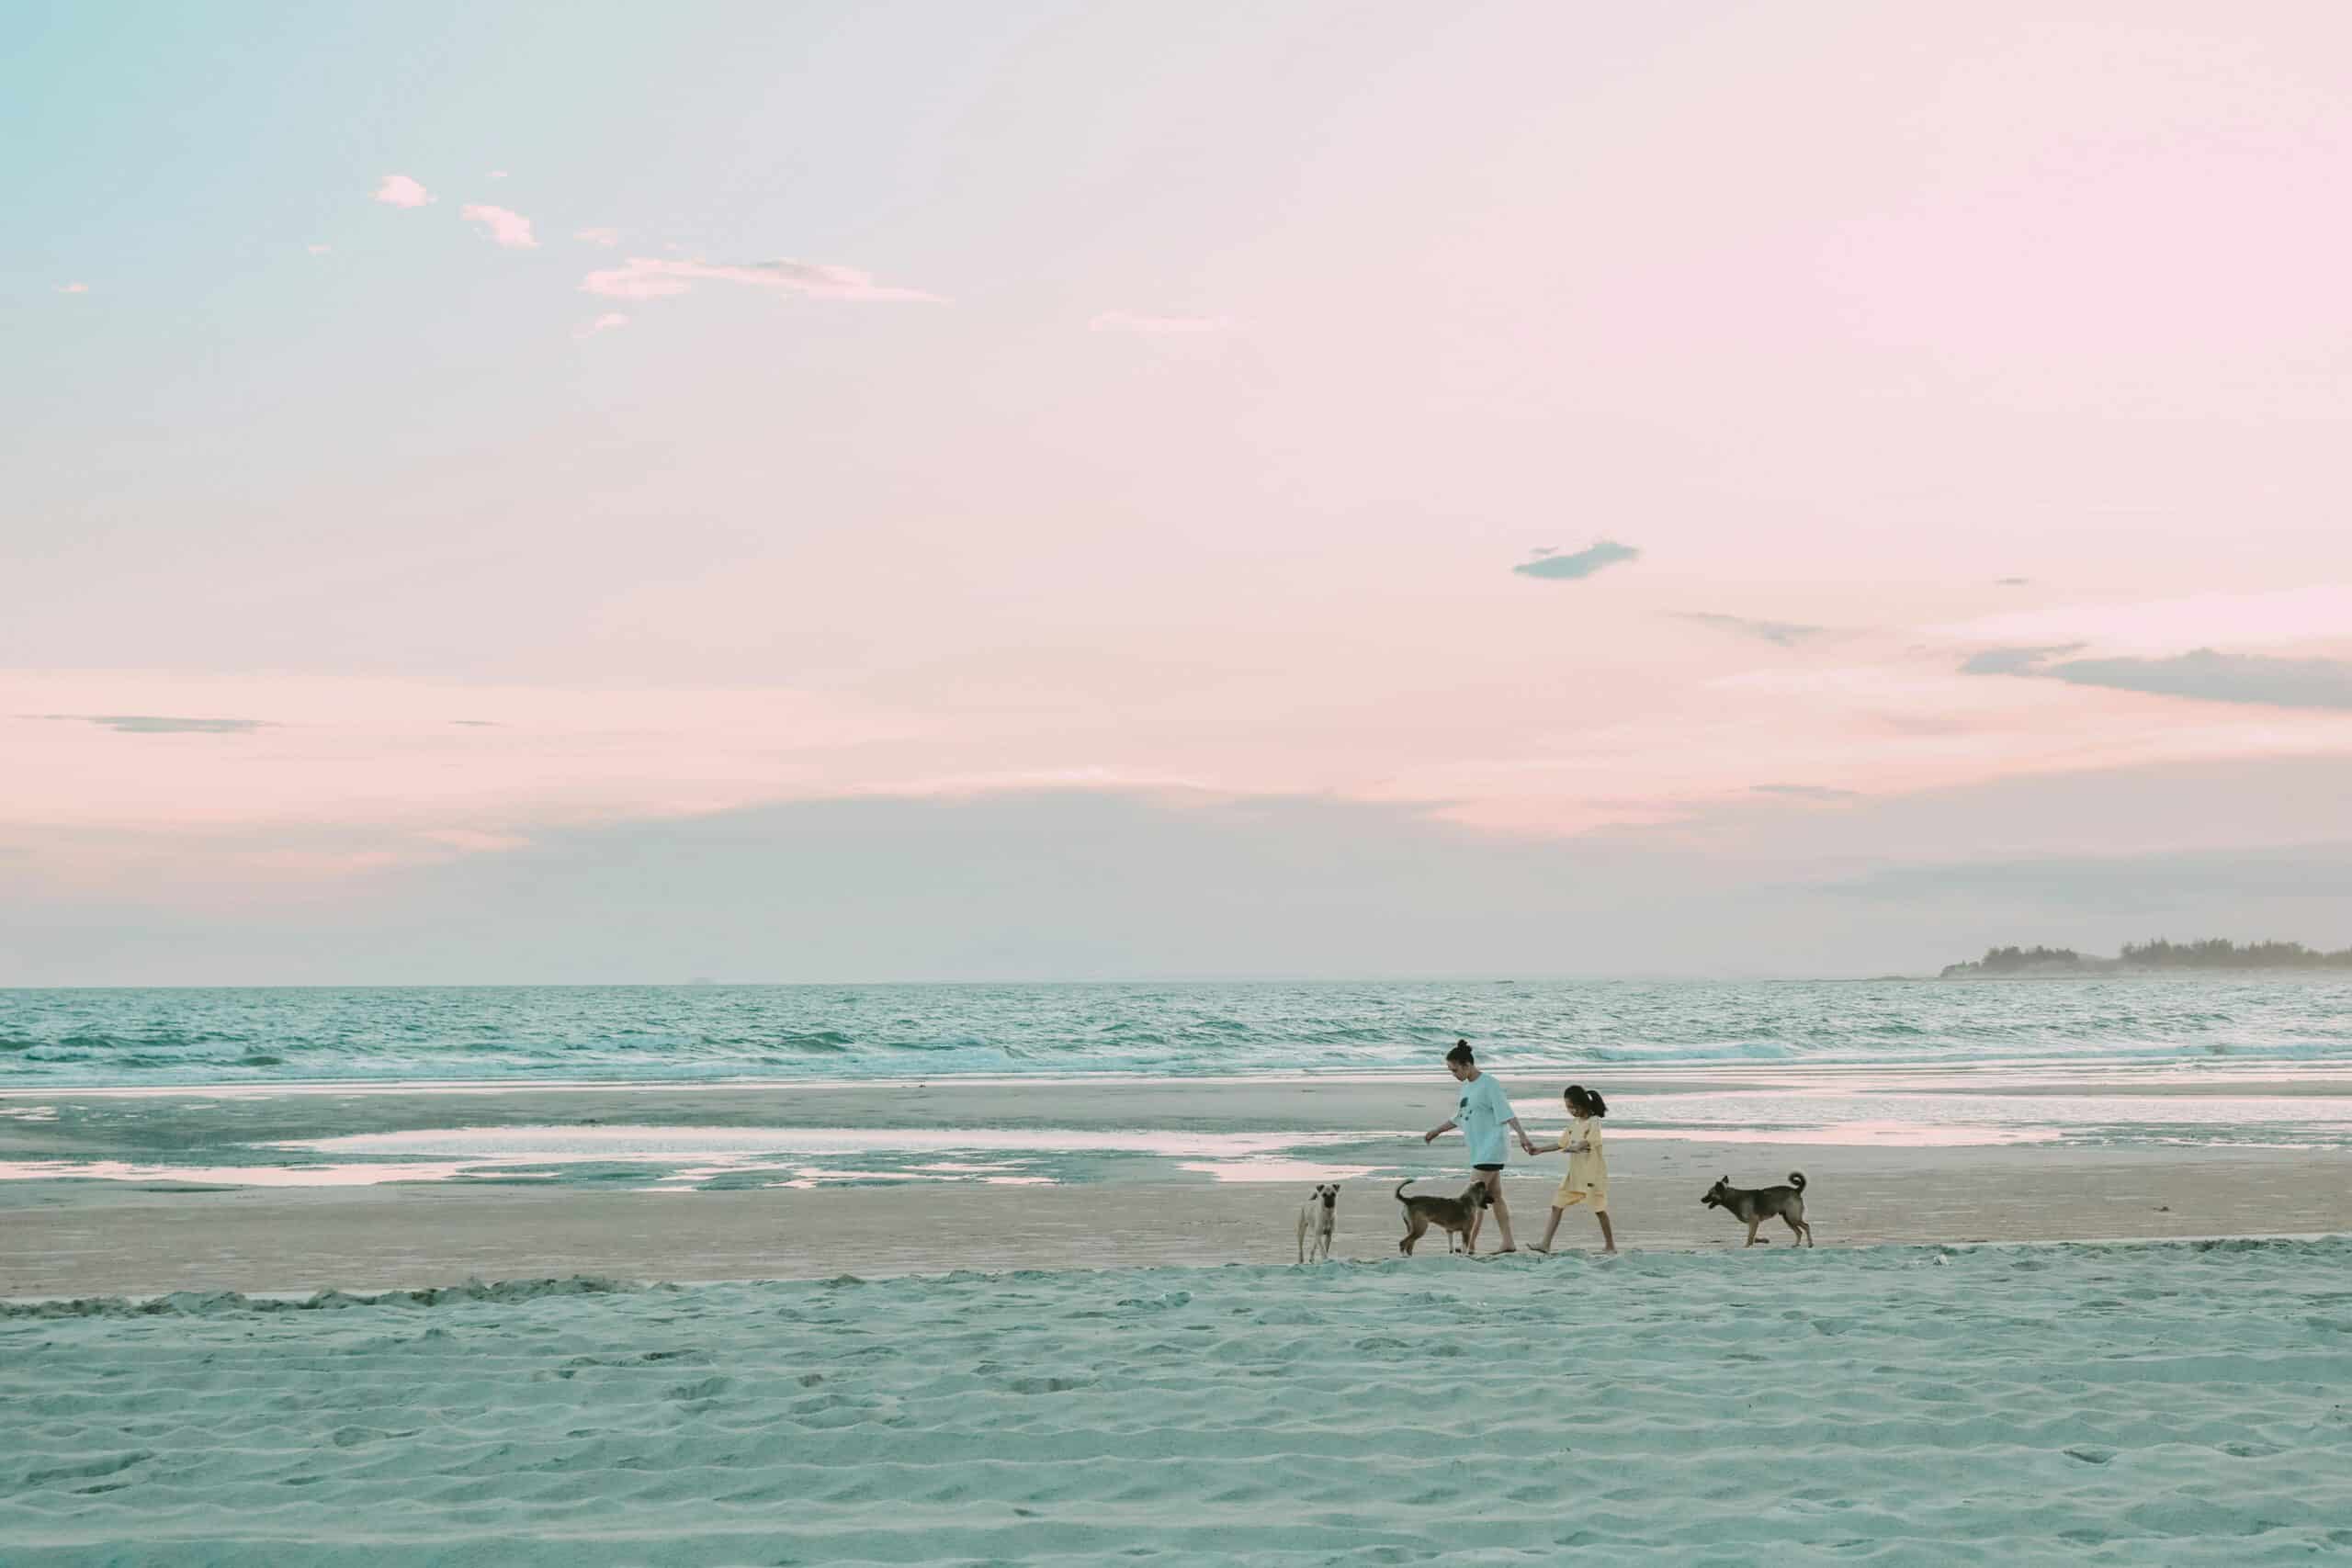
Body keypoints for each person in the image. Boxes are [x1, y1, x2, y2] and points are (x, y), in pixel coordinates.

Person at [1420, 1039, 1528, 1253]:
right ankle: (1508, 1242)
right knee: (1496, 1196)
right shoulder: (1467, 1087)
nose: (1453, 1075)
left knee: (1470, 1199)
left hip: (1492, 1149)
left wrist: (1524, 1137)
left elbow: (1506, 1114)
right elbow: (1460, 1117)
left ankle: (1469, 1246)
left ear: (1467, 1065)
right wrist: (1437, 1131)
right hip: (1479, 1150)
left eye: (1454, 1070)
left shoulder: (1489, 1084)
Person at [1529, 1084, 1616, 1254]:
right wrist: (1539, 1150)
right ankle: (1545, 1244)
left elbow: (1590, 1141)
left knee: (1599, 1210)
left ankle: (1610, 1246)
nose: (1570, 1110)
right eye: (1568, 1107)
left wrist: (1577, 1147)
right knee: (1556, 1205)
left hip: (1592, 1176)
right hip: (1575, 1177)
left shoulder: (1594, 1121)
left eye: (1572, 1107)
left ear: (1582, 1104)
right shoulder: (1573, 1124)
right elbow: (1561, 1144)